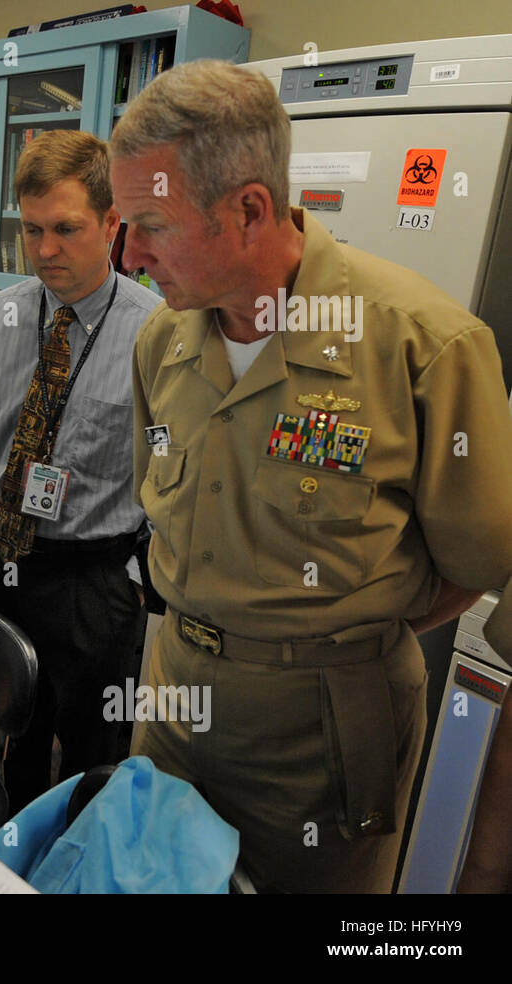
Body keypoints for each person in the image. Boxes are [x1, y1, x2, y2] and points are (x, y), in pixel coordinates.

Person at [109, 59, 512, 892]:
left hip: (321, 732)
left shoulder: (422, 345)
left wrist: (332, 641)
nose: (128, 252)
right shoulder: (164, 341)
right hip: (175, 696)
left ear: (249, 210)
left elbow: (475, 568)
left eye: (151, 222)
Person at [0, 130, 160, 812]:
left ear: (111, 225)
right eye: (31, 229)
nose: (44, 250)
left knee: (87, 757)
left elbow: (174, 471)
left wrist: (134, 578)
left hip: (90, 583)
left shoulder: (158, 334)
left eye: (66, 229)